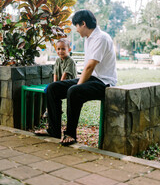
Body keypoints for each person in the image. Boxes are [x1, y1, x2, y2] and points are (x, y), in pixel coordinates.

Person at [35, 9, 117, 146]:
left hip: (104, 82)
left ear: (83, 24)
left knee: (74, 91)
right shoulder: (89, 39)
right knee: (53, 88)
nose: (76, 30)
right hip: (92, 79)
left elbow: (90, 67)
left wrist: (78, 85)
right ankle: (53, 130)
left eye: (77, 26)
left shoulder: (101, 38)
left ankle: (70, 134)